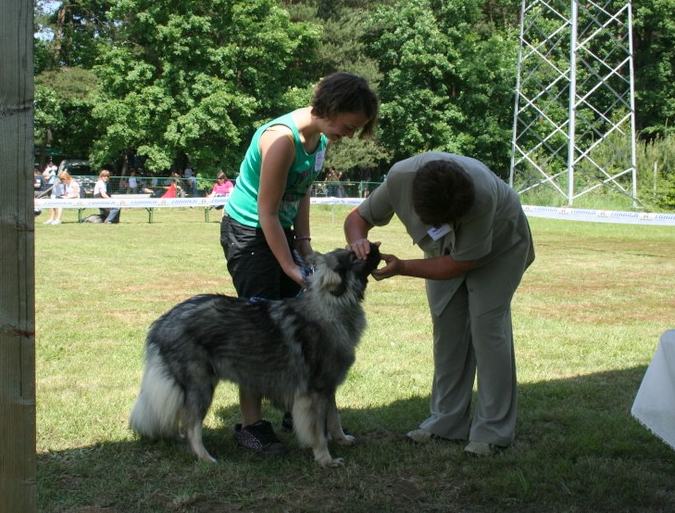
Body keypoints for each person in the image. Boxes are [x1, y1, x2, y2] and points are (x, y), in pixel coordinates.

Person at [220, 72, 379, 457]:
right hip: (250, 233)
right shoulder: (280, 141)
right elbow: (267, 214)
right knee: (258, 331)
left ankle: (298, 408)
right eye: (349, 125)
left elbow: (302, 192)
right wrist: (292, 269)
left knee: (301, 326)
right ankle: (251, 426)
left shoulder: (319, 139)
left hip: (280, 231)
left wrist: (305, 247)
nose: (348, 135)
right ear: (331, 107)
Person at [344, 152, 535, 458]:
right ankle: (446, 422)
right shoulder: (399, 178)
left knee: (488, 329)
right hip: (442, 253)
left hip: (500, 245)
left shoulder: (481, 195)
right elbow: (357, 219)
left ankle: (493, 431)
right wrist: (357, 244)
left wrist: (403, 267)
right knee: (447, 327)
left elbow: (460, 263)